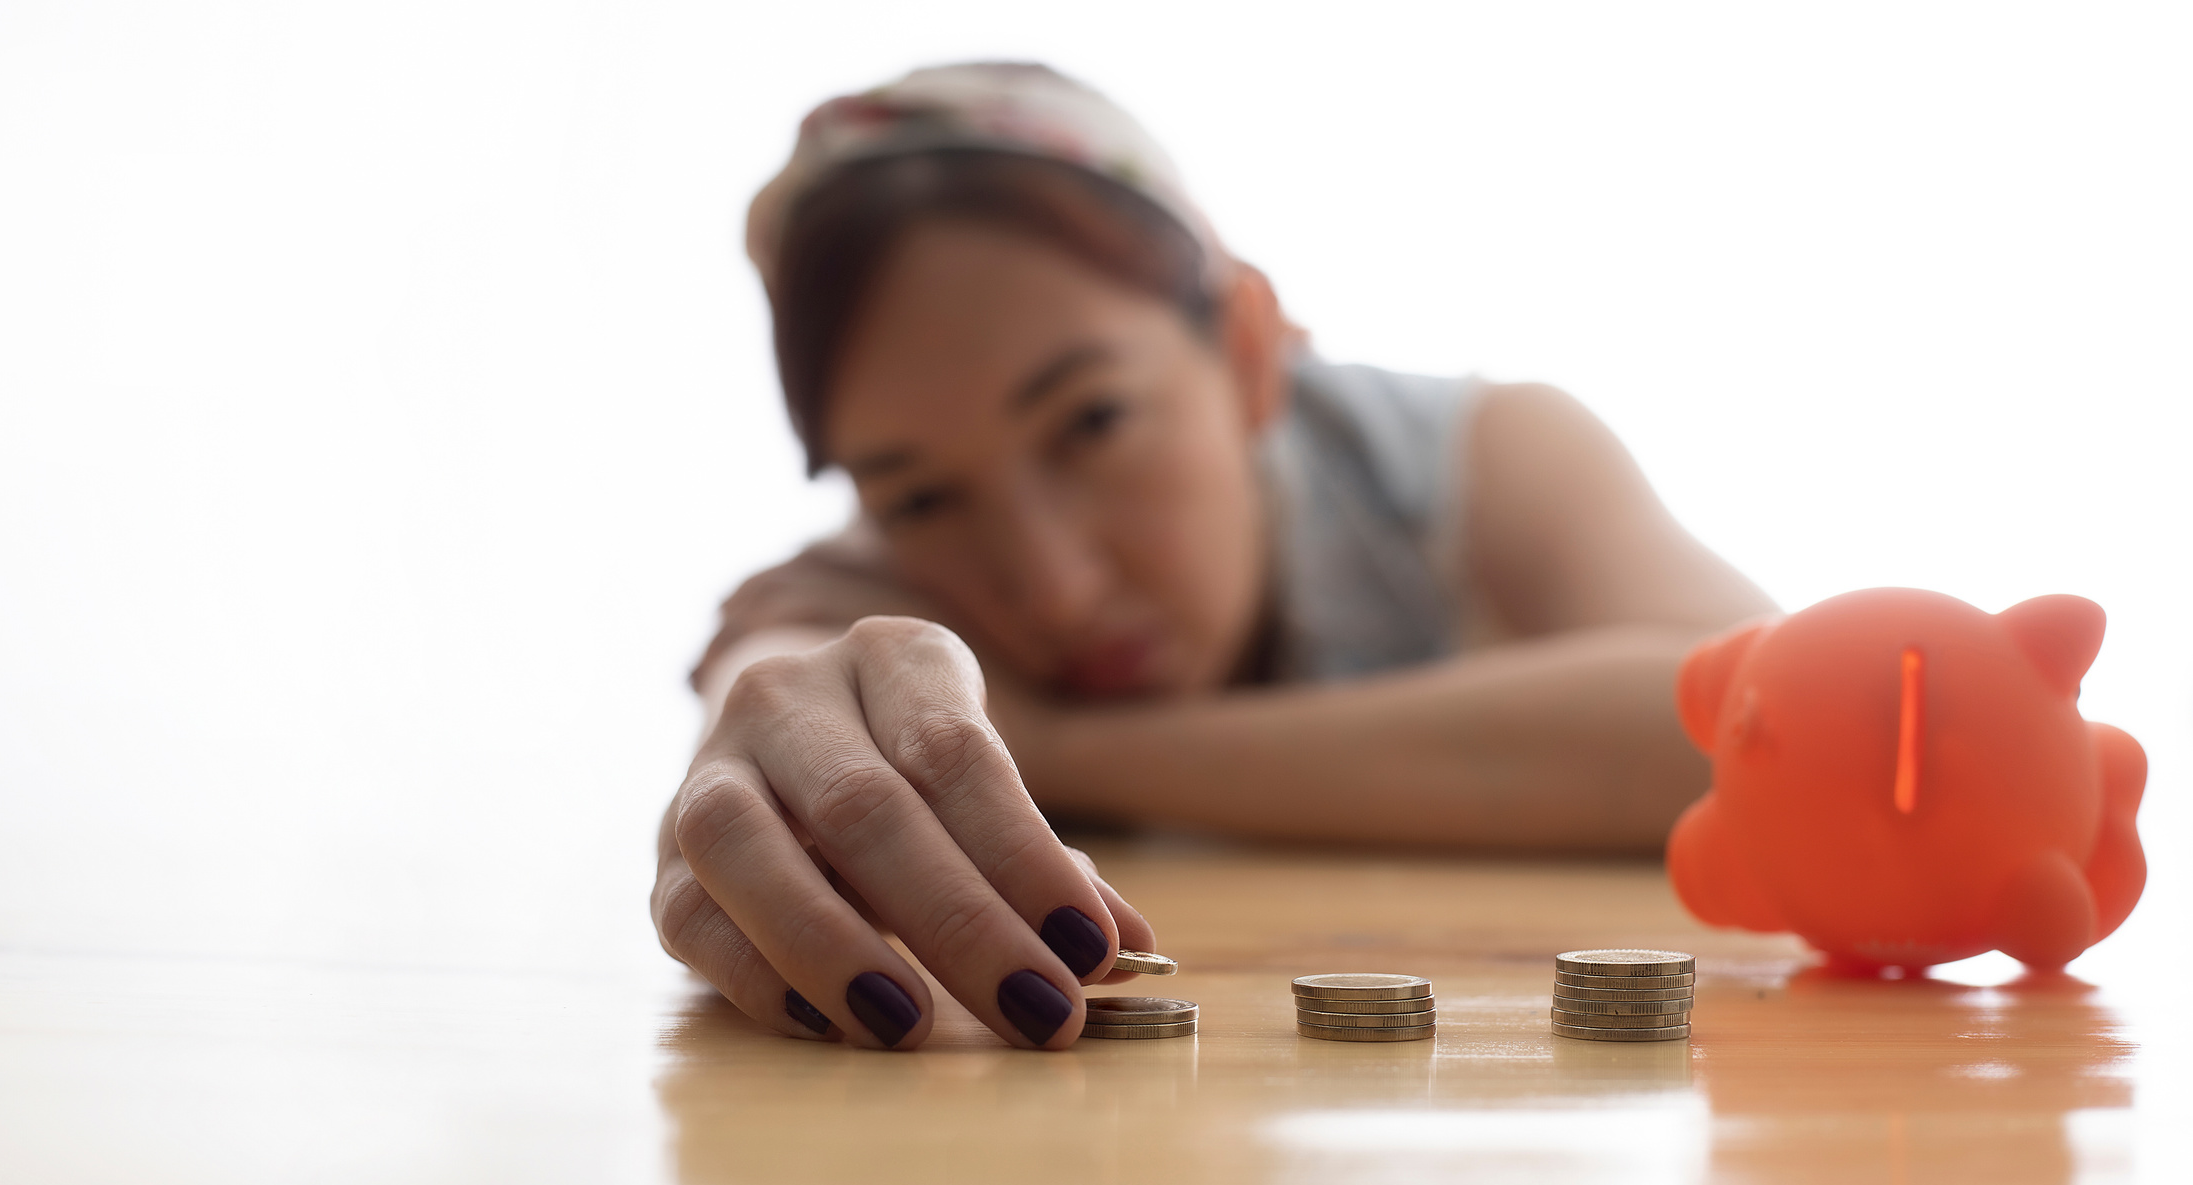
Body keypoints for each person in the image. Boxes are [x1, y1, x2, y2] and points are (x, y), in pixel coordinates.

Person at [653, 64, 1775, 1053]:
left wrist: (1074, 750)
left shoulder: (1492, 456)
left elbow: (1755, 735)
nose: (1052, 585)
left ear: (1244, 347)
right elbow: (779, 671)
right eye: (920, 493)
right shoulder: (873, 587)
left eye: (1089, 423)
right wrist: (754, 740)